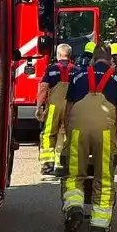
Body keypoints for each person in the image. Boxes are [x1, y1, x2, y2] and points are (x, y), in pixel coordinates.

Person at [60, 45, 117, 232]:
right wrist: (115, 138)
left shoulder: (78, 76)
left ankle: (74, 208)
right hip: (105, 131)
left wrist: (69, 135)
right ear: (110, 60)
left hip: (78, 130)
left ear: (93, 60)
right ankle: (98, 230)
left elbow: (68, 110)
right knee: (104, 178)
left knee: (74, 175)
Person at [36, 43, 75, 176]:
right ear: (69, 55)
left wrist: (39, 106)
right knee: (64, 134)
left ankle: (47, 165)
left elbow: (43, 88)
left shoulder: (51, 69)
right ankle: (61, 164)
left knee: (48, 134)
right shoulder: (76, 70)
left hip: (53, 107)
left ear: (58, 55)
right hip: (70, 107)